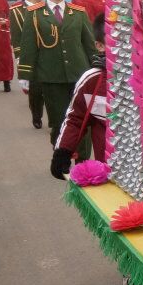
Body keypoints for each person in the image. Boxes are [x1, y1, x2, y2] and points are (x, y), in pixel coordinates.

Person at [18, 0, 98, 157]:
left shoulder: (78, 12)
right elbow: (29, 45)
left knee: (83, 119)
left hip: (80, 75)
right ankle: (61, 157)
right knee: (58, 120)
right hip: (50, 76)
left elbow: (89, 44)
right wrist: (25, 75)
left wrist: (96, 68)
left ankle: (83, 161)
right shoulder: (35, 13)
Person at [50, 13, 108, 175]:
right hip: (109, 168)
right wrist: (63, 152)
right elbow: (75, 118)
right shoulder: (92, 80)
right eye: (116, 40)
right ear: (100, 45)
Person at [10, 0, 46, 129]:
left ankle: (54, 119)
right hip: (31, 56)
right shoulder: (17, 11)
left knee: (52, 89)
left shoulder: (47, 7)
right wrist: (20, 58)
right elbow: (16, 36)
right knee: (36, 90)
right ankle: (36, 116)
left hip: (49, 54)